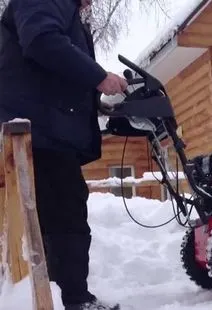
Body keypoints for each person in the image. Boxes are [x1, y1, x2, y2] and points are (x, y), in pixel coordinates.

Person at [0, 0, 128, 309]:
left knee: (57, 211)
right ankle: (74, 299)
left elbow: (50, 73)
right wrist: (99, 76)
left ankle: (63, 295)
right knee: (66, 212)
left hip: (41, 126)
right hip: (41, 130)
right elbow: (42, 41)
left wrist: (95, 103)